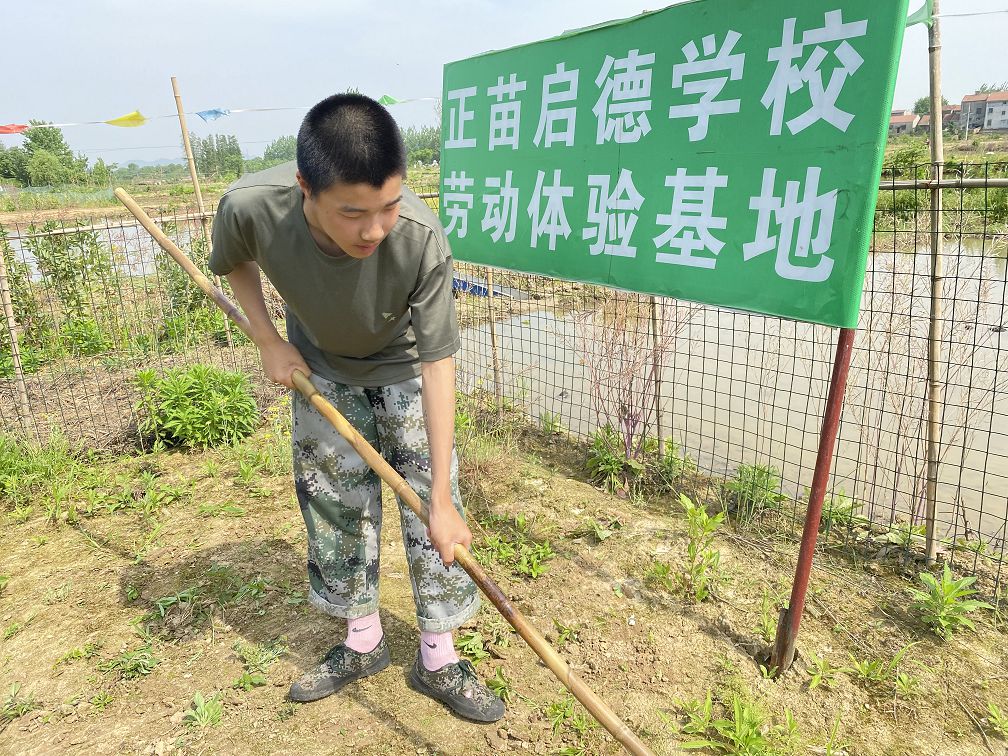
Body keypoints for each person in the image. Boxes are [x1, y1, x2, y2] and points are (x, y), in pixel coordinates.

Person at [208, 93, 504, 723]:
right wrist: (268, 340)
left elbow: (438, 362)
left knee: (432, 509)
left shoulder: (420, 239)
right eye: (353, 214)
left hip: (402, 366)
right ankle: (362, 641)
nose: (374, 229)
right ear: (304, 189)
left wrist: (444, 500)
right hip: (319, 366)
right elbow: (234, 263)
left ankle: (439, 656)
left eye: (389, 207)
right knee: (332, 500)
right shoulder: (250, 207)